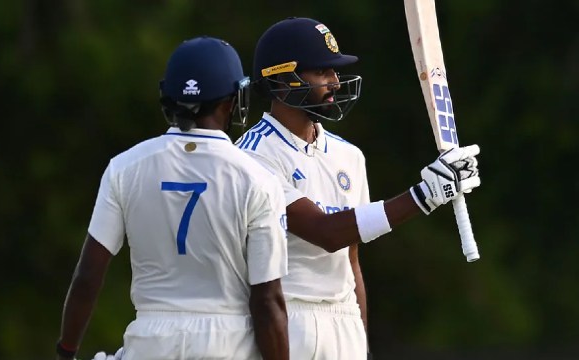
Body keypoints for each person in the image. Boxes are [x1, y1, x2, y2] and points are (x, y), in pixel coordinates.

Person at [236, 17, 481, 359]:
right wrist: (423, 196)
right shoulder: (251, 155)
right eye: (322, 71)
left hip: (344, 319)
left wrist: (360, 341)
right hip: (290, 318)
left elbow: (351, 259)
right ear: (281, 81)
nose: (335, 81)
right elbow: (325, 232)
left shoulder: (348, 155)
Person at [56, 36, 290, 360]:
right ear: (231, 101)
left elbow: (88, 275)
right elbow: (267, 301)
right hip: (227, 344)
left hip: (149, 342)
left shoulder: (125, 167)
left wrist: (66, 351)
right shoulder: (258, 179)